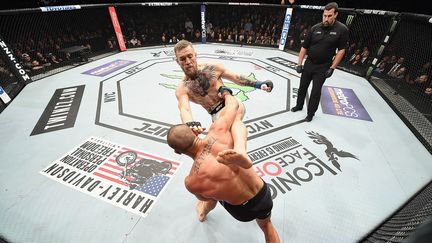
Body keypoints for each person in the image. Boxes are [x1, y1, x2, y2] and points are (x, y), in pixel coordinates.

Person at [167, 88, 280, 243]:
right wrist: (226, 93)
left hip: (241, 211)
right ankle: (241, 149)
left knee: (212, 194)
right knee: (267, 226)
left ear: (177, 152)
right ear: (194, 133)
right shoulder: (218, 130)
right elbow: (233, 105)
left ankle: (202, 212)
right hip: (262, 195)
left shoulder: (191, 182)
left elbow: (205, 197)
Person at [174, 39, 273, 156]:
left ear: (195, 55)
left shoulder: (212, 68)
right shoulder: (182, 88)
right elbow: (184, 109)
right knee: (220, 148)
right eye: (183, 59)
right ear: (177, 61)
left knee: (233, 118)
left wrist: (258, 84)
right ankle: (237, 160)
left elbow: (236, 78)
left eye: (190, 56)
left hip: (229, 101)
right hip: (215, 115)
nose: (188, 61)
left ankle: (240, 151)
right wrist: (190, 125)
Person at [291, 2, 349, 122]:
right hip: (309, 63)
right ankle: (299, 105)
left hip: (323, 66)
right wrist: (299, 63)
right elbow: (304, 47)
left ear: (335, 15)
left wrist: (332, 68)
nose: (326, 18)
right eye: (324, 15)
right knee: (302, 87)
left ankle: (310, 113)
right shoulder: (315, 28)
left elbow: (341, 50)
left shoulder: (342, 30)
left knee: (316, 91)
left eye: (329, 16)